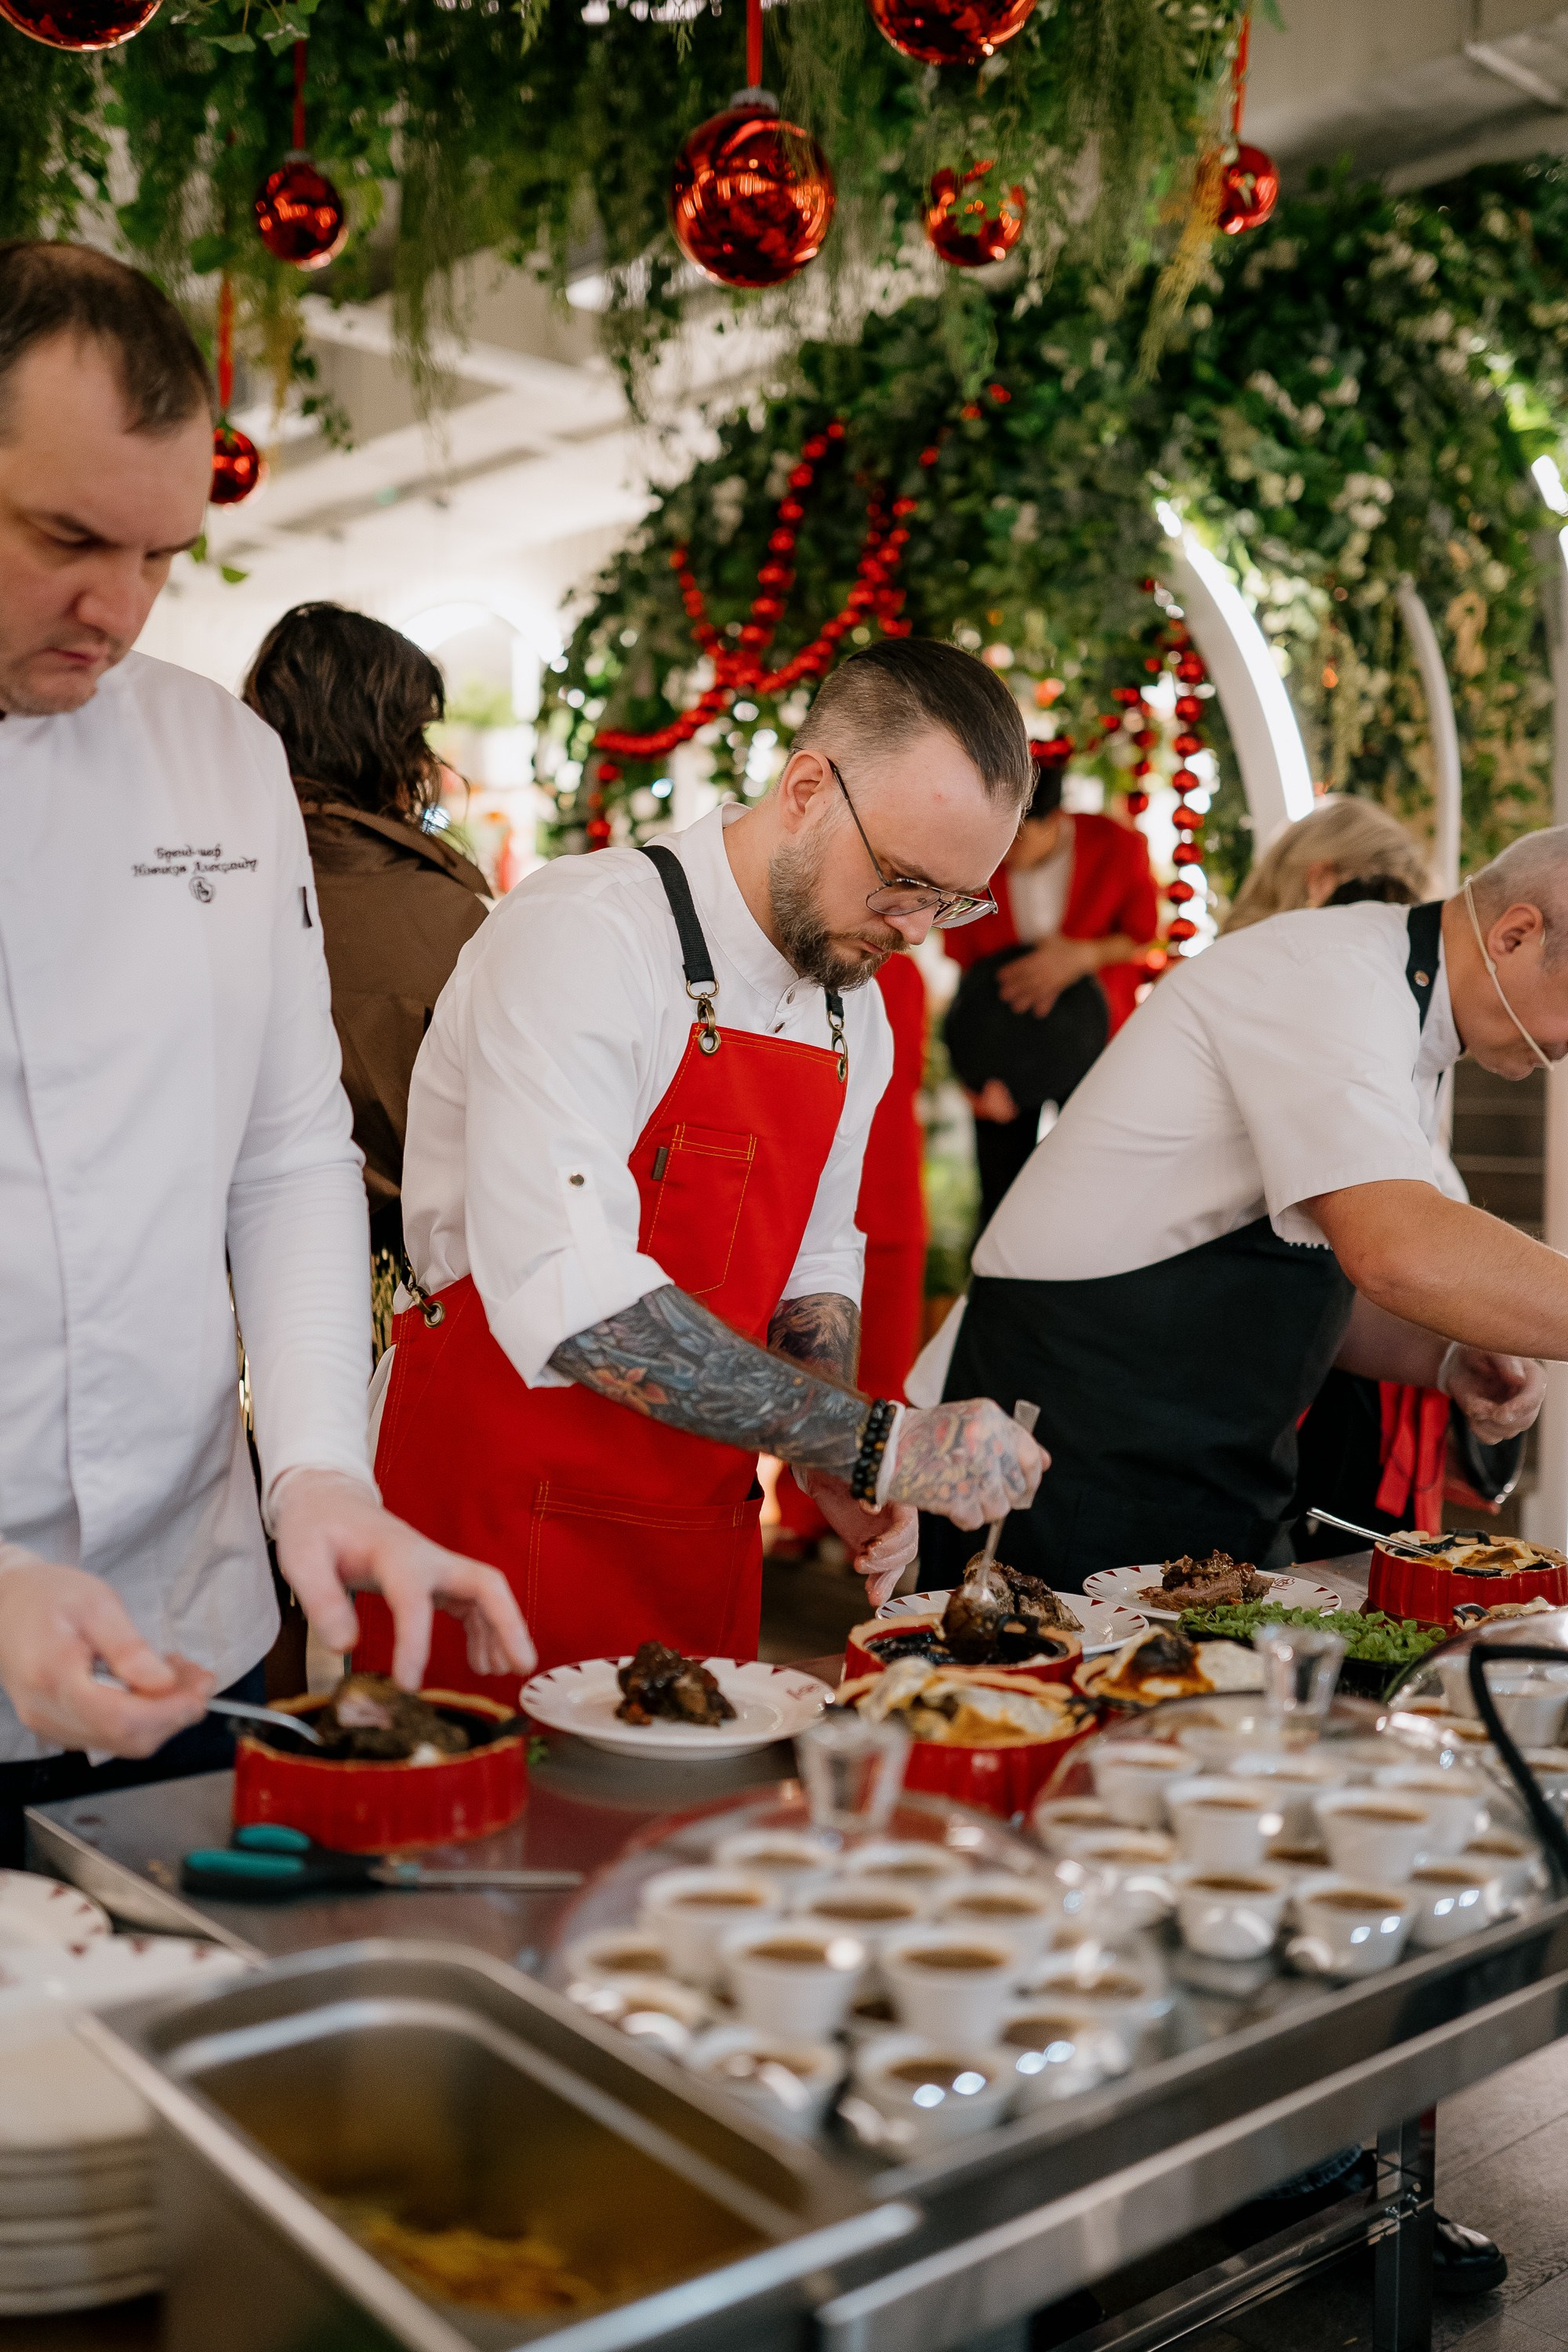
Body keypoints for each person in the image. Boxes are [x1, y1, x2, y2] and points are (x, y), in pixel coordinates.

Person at [0, 241, 531, 1850]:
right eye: (67, 540)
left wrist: (316, 1474)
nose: (121, 608)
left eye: (164, 554)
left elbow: (290, 1152)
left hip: (190, 1614)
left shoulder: (217, 758)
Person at [354, 640, 1048, 1692]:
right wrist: (873, 1442)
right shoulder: (588, 935)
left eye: (956, 902)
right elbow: (575, 1298)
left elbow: (817, 1260)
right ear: (808, 788)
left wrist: (828, 1466)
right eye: (904, 882)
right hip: (491, 1530)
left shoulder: (850, 1006)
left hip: (694, 1540)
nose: (916, 931)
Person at [909, 829, 1565, 1597]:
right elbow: (1394, 1249)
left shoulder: (1402, 1012)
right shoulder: (1334, 977)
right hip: (1073, 1447)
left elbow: (1286, 1275)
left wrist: (1444, 1360)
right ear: (1513, 933)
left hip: (1192, 1469)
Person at [241, 602, 491, 1266]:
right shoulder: (450, 920)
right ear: (389, 744)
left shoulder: (202, 885)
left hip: (233, 1283)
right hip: (412, 1292)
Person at [940, 744, 1160, 1226]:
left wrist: (1084, 955)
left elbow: (1143, 936)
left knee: (1100, 1196)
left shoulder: (1118, 847)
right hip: (1003, 1052)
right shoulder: (976, 861)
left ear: (1057, 818)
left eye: (1017, 839)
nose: (1004, 853)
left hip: (1094, 1045)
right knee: (999, 1206)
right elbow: (966, 981)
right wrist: (973, 1078)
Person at [771, 951, 929, 1558]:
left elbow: (905, 1074)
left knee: (883, 1364)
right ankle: (799, 1513)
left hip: (886, 1188)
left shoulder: (893, 982)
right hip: (828, 1194)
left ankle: (867, 1495)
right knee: (801, 1357)